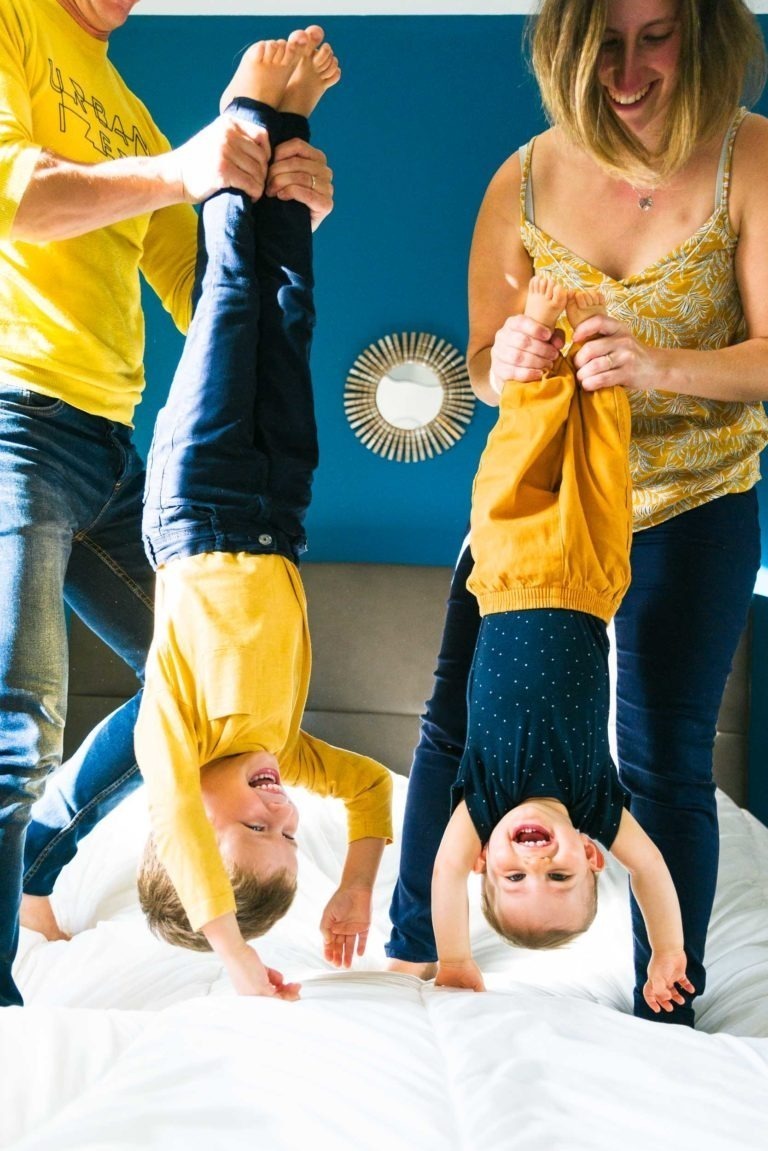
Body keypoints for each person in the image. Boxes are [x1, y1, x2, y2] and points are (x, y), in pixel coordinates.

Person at [388, 0, 768, 1027]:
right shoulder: (519, 179)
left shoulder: (752, 159)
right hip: (537, 516)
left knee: (665, 755)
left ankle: (667, 998)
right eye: (605, 43)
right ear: (565, 47)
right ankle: (414, 953)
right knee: (447, 724)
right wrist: (504, 360)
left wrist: (657, 365)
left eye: (657, 37)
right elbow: (478, 358)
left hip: (694, 498)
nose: (630, 70)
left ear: (704, 35)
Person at [0, 0, 333, 1009]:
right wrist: (185, 172)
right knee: (19, 730)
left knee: (202, 704)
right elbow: (17, 196)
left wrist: (283, 209)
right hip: (14, 412)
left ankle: (41, 868)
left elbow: (202, 290)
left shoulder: (131, 111)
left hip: (110, 444)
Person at [132, 40, 393, 1000]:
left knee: (232, 296)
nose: (283, 810)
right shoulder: (286, 744)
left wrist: (236, 955)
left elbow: (174, 814)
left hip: (196, 502)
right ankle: (289, 143)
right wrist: (356, 884)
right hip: (283, 509)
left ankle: (246, 109)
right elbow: (367, 790)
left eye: (255, 829)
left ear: (193, 825)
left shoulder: (176, 736)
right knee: (290, 313)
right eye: (291, 836)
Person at [431, 275, 693, 1017]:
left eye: (511, 878)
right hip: (588, 578)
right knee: (603, 456)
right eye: (558, 877)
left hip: (509, 569)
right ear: (590, 857)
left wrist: (453, 957)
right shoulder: (597, 808)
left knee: (522, 448)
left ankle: (542, 327)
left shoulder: (482, 806)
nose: (533, 862)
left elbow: (445, 872)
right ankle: (592, 330)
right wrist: (669, 949)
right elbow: (653, 872)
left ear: (487, 858)